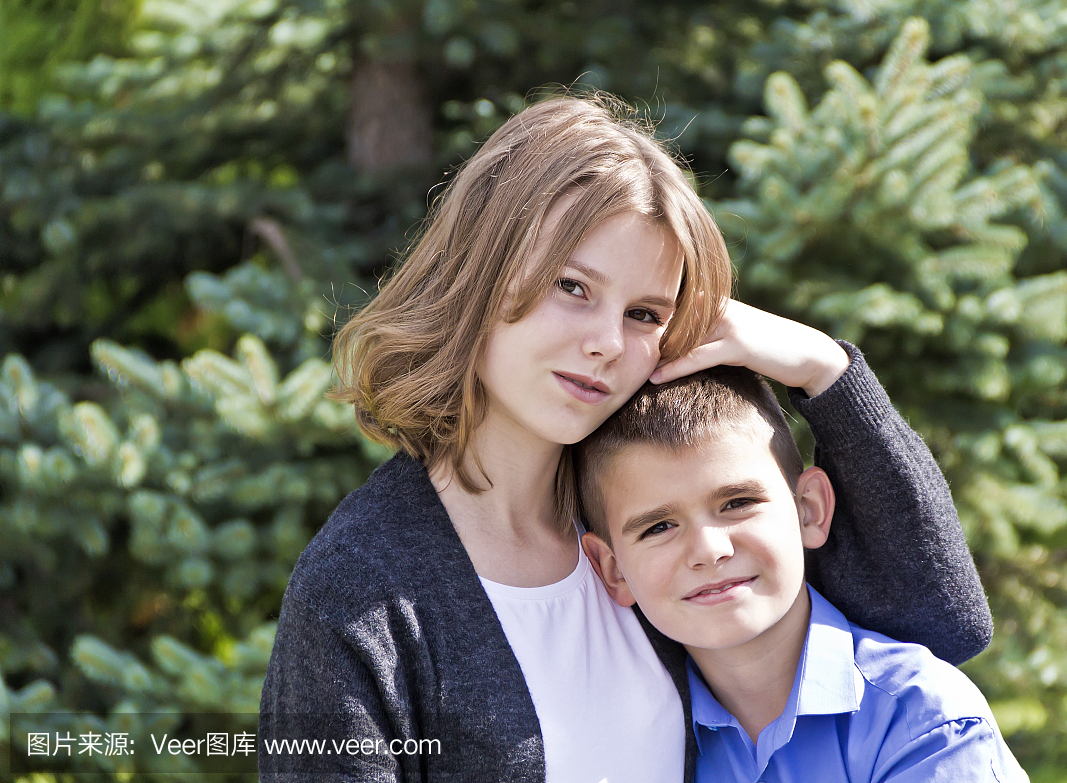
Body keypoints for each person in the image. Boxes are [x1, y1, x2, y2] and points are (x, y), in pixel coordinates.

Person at [258, 93, 991, 781]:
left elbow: (939, 623)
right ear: (481, 275)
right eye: (572, 288)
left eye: (645, 314)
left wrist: (824, 369)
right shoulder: (360, 587)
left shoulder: (651, 522)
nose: (607, 342)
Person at [576, 366, 1026, 783]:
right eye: (658, 527)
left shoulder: (922, 717)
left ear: (808, 510)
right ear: (613, 570)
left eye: (737, 503)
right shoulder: (635, 742)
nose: (710, 551)